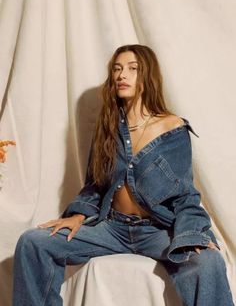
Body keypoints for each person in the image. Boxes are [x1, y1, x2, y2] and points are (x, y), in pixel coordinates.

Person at [12, 44, 234, 306]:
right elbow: (95, 183)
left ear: (147, 76)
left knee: (207, 262)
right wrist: (78, 215)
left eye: (132, 69)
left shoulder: (172, 129)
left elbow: (184, 192)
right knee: (33, 242)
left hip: (158, 230)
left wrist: (192, 234)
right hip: (112, 228)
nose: (122, 75)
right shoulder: (108, 126)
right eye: (117, 69)